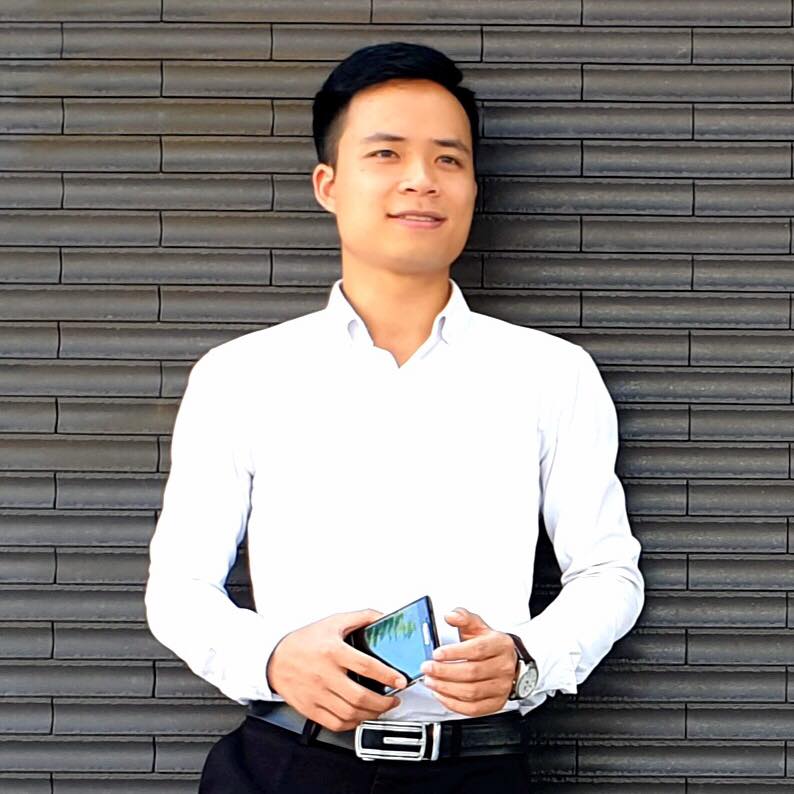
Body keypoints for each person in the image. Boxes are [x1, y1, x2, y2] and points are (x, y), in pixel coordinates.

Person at [144, 41, 644, 794]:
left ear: (473, 187)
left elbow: (608, 572)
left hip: (476, 771)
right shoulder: (240, 374)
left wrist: (529, 660)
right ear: (328, 184)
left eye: (448, 159)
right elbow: (178, 588)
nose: (421, 179)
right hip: (287, 765)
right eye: (386, 153)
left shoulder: (552, 373)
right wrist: (272, 659)